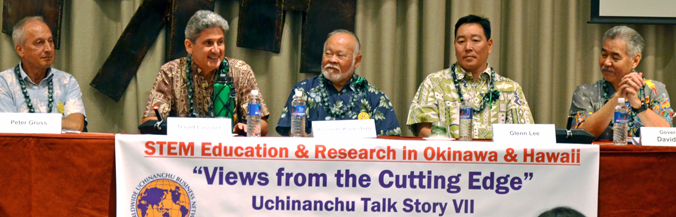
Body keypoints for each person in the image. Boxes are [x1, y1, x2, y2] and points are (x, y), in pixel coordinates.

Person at [142, 10, 270, 135]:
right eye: (208, 43)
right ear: (189, 46)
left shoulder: (241, 70)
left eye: (220, 42)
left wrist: (249, 127)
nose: (216, 50)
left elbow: (263, 125)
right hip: (184, 151)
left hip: (228, 151)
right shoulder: (171, 71)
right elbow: (149, 121)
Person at [407, 14, 533, 139]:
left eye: (475, 40)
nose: (468, 47)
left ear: (489, 45)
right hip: (449, 157)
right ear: (455, 45)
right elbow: (424, 131)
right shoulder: (434, 83)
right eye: (461, 41)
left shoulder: (510, 89)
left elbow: (524, 136)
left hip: (496, 158)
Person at [276, 29, 401, 136]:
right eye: (328, 54)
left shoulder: (373, 97)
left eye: (340, 55)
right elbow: (290, 134)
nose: (332, 60)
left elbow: (390, 141)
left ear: (357, 60)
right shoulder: (303, 91)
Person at [569, 26, 673, 139]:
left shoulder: (654, 90)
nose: (607, 62)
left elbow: (666, 136)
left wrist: (638, 106)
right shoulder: (585, 93)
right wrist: (618, 97)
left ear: (635, 60)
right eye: (604, 55)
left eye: (615, 58)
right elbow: (580, 136)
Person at [0, 16, 86, 131]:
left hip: (60, 148)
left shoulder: (67, 82)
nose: (48, 49)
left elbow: (76, 125)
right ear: (20, 50)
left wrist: (27, 122)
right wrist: (56, 123)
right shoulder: (4, 82)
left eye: (50, 41)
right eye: (39, 43)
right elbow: (8, 127)